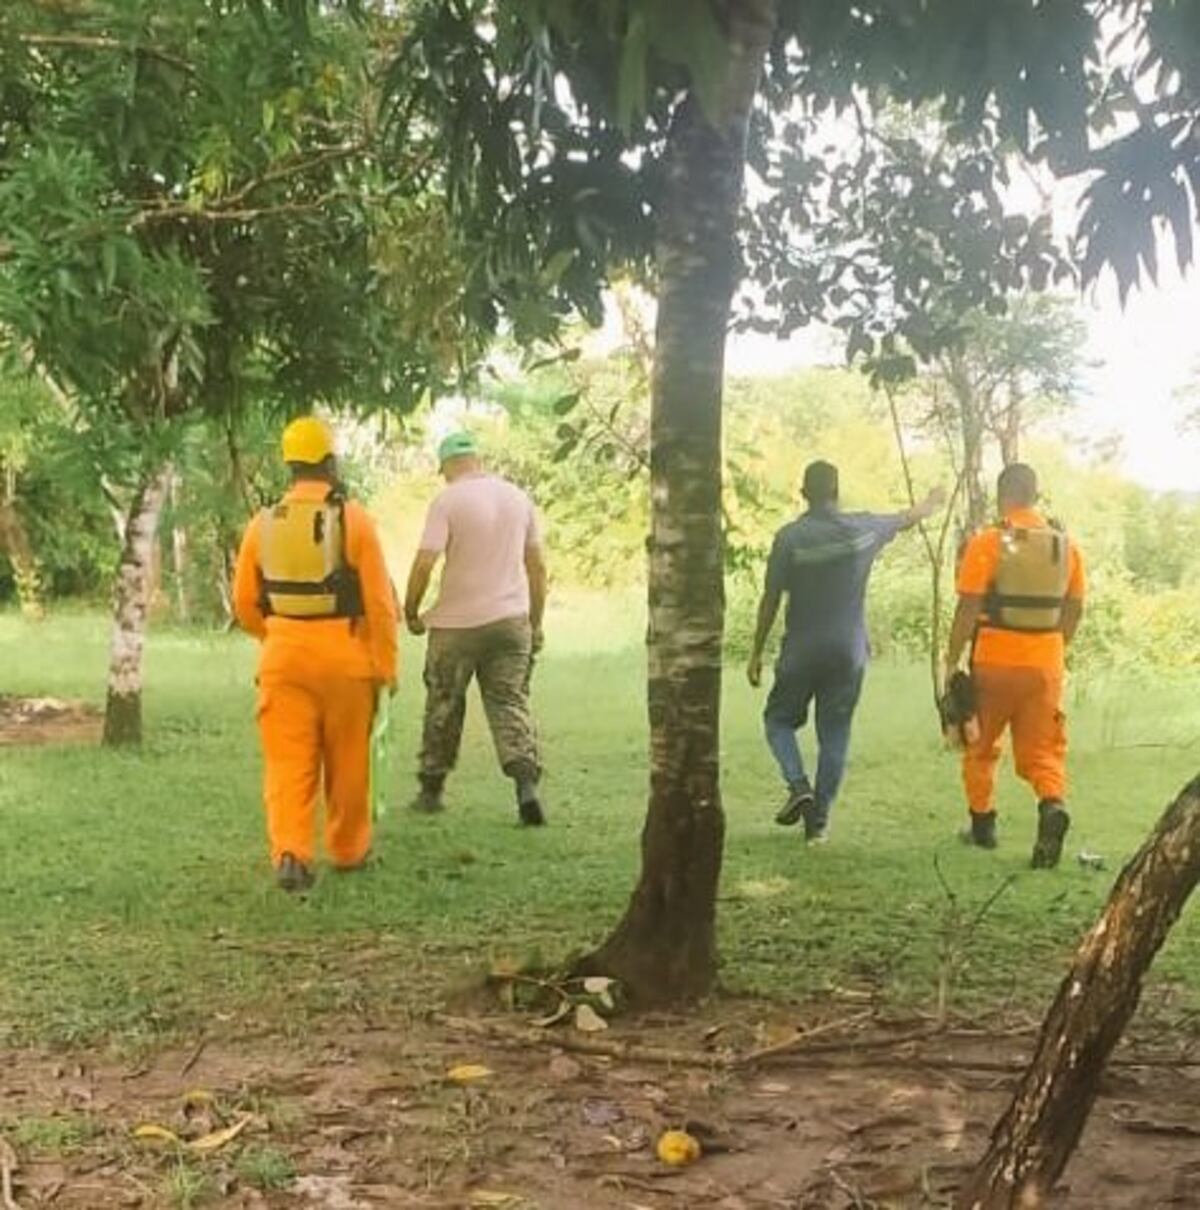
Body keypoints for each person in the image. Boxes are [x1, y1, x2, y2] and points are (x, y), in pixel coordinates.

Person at [233, 417, 398, 892]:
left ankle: (291, 853)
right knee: (349, 764)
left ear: (290, 465)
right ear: (330, 462)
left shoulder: (262, 525)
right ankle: (348, 850)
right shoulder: (353, 520)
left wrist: (276, 637)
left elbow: (245, 603)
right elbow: (380, 604)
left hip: (283, 660)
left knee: (288, 765)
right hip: (347, 662)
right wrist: (386, 667)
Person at [747, 461, 944, 842]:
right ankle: (818, 824)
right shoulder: (863, 530)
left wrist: (756, 651)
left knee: (778, 721)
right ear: (837, 492)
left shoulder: (789, 539)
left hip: (801, 650)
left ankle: (798, 785)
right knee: (834, 735)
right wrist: (932, 502)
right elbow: (906, 518)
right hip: (848, 652)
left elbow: (770, 598)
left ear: (803, 494)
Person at [944, 463, 1085, 868]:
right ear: (1035, 496)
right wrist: (1053, 649)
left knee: (980, 745)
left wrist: (951, 659)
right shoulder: (1067, 548)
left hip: (994, 660)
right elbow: (1075, 609)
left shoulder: (988, 542)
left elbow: (968, 606)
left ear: (1001, 496)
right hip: (1045, 664)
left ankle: (983, 826)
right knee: (1043, 750)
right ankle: (1052, 805)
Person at [404, 431, 548, 824]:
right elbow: (537, 567)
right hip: (510, 620)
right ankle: (526, 788)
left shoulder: (448, 500)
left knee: (444, 701)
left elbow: (425, 561)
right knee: (510, 701)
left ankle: (431, 791)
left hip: (456, 625)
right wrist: (535, 623)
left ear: (447, 466)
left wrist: (411, 610)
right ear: (477, 460)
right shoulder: (518, 498)